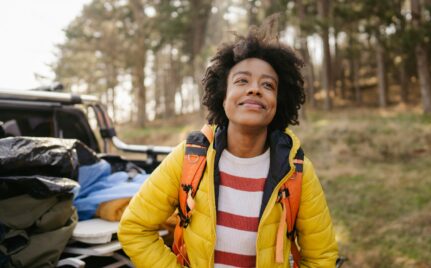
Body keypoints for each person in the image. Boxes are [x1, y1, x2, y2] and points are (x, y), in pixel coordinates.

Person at [118, 26, 339, 267]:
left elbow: (321, 258)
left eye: (268, 85)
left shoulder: (297, 171)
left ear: (279, 102)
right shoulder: (190, 158)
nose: (254, 89)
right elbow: (135, 227)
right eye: (242, 80)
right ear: (223, 97)